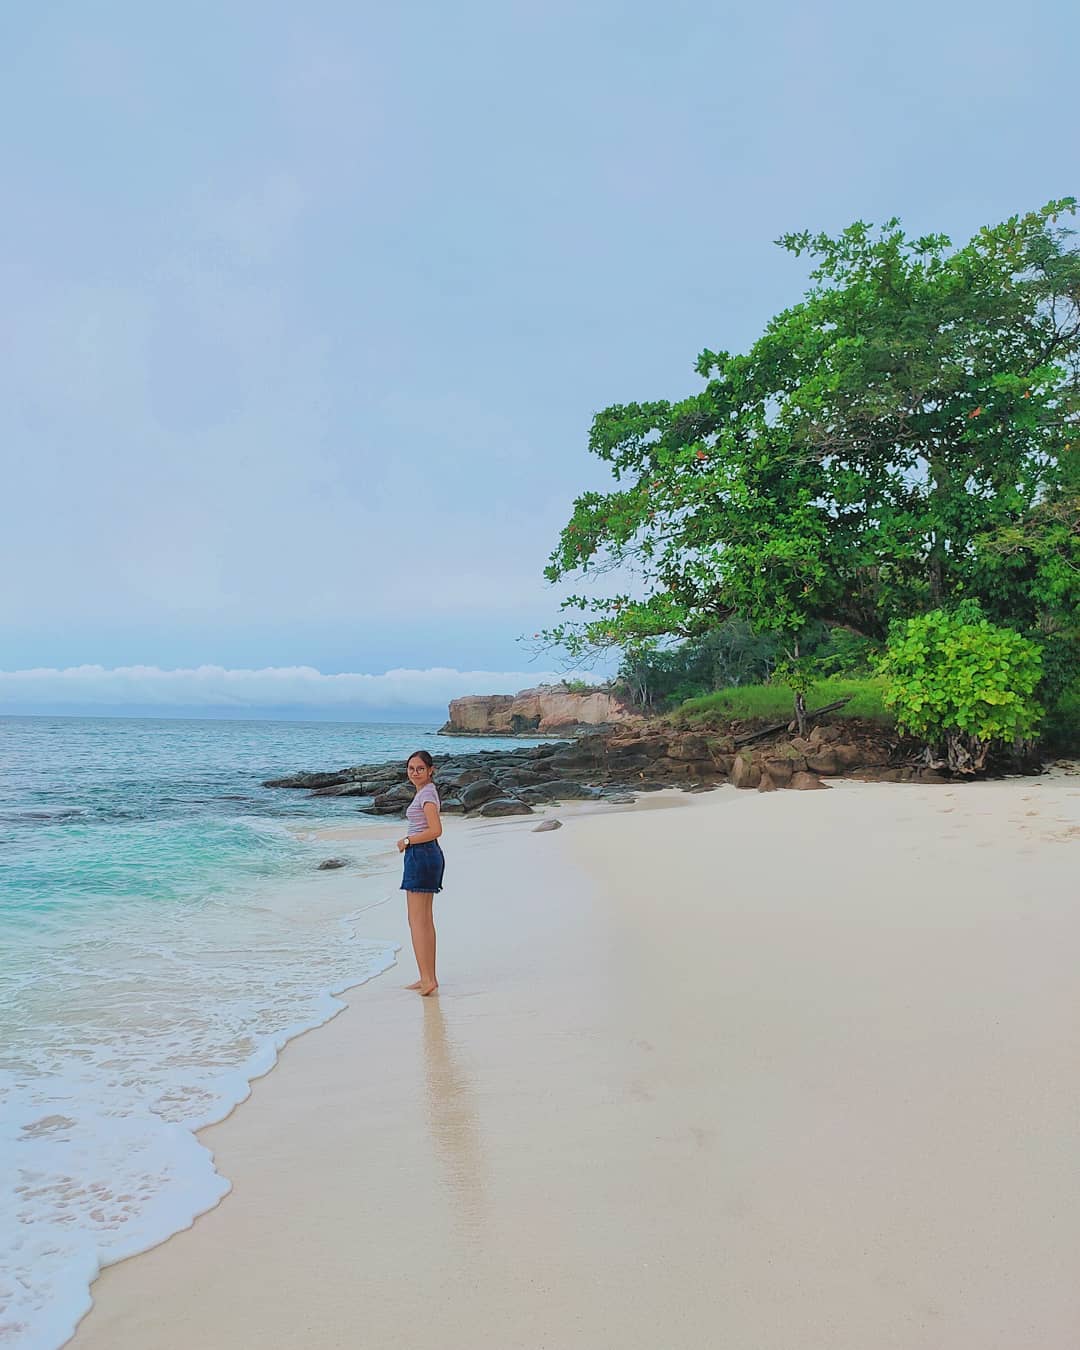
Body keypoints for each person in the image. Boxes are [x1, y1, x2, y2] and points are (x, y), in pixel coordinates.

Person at [397, 750, 444, 995]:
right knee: (423, 921)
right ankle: (427, 977)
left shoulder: (427, 794)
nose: (415, 773)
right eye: (411, 769)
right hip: (426, 855)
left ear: (430, 770)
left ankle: (428, 979)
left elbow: (436, 829)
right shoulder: (427, 791)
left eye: (420, 769)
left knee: (417, 921)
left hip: (422, 854)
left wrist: (407, 840)